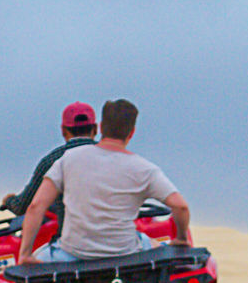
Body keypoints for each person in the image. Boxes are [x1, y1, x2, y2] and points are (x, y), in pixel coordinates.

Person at [17, 99, 190, 264]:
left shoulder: (68, 159)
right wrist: (181, 238)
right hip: (127, 250)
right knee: (158, 248)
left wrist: (25, 255)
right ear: (131, 133)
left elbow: (35, 206)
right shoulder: (144, 168)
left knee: (28, 271)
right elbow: (180, 206)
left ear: (101, 127)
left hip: (73, 253)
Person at [0, 102, 98, 241]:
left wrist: (9, 201)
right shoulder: (116, 156)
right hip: (119, 242)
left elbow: (22, 206)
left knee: (34, 258)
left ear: (63, 130)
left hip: (73, 244)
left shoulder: (52, 160)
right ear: (95, 128)